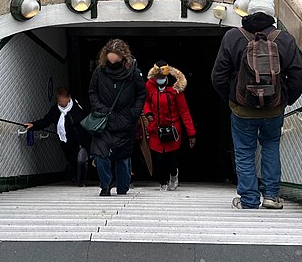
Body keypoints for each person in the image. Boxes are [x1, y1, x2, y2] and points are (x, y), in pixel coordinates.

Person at [211, 0, 302, 210]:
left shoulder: (232, 37)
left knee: (244, 151)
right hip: (274, 109)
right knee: (270, 146)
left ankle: (249, 200)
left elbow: (218, 77)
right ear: (272, 15)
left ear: (249, 12)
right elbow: (298, 79)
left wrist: (233, 99)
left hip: (242, 109)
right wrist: (284, 100)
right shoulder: (284, 39)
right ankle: (271, 196)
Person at [88, 39, 147, 196]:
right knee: (99, 155)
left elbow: (142, 93)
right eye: (109, 59)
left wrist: (133, 113)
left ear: (123, 57)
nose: (112, 62)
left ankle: (122, 188)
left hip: (125, 120)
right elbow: (92, 92)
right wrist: (99, 108)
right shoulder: (99, 71)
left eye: (116, 60)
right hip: (104, 120)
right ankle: (105, 186)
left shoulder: (133, 72)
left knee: (122, 156)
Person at [143, 60, 196, 191]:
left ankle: (174, 174)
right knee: (158, 158)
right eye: (157, 77)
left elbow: (184, 112)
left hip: (172, 130)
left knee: (170, 158)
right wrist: (148, 113)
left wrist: (191, 133)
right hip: (156, 127)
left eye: (162, 77)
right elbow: (146, 102)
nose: (159, 79)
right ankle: (162, 182)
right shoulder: (149, 86)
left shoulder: (175, 89)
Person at [25, 87, 91, 186]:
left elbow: (89, 117)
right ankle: (75, 178)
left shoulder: (78, 105)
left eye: (63, 101)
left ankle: (81, 181)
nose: (62, 103)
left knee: (81, 160)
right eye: (59, 101)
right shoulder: (55, 110)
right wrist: (34, 125)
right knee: (72, 161)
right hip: (66, 143)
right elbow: (46, 121)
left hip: (81, 141)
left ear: (69, 97)